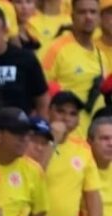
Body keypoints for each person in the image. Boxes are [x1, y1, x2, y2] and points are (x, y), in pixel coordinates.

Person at [41, 91, 103, 216]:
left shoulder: (82, 148)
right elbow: (35, 175)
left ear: (77, 121)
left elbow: (93, 195)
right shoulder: (33, 141)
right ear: (49, 112)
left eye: (72, 113)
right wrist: (52, 140)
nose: (66, 117)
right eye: (60, 111)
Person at [41, 0, 106, 138]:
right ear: (72, 16)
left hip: (92, 138)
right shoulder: (55, 49)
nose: (88, 17)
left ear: (99, 17)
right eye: (82, 12)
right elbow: (39, 91)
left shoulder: (101, 55)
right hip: (63, 136)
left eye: (93, 12)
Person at [0, 107, 47, 216]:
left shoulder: (33, 170)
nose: (24, 138)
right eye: (17, 133)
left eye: (27, 134)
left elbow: (41, 209)